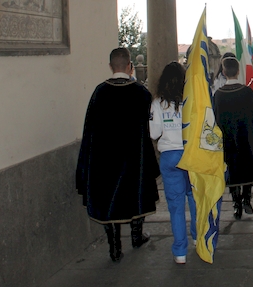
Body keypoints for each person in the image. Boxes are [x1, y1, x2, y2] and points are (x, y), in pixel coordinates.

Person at [76, 47, 159, 263]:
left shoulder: (99, 93)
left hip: (105, 160)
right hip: (134, 158)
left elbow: (89, 130)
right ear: (130, 65)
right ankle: (136, 235)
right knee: (136, 194)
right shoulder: (141, 93)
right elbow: (150, 128)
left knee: (108, 199)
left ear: (111, 65)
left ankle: (114, 247)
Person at [149, 61, 198, 264]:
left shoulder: (157, 103)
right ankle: (197, 237)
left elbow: (154, 133)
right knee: (195, 199)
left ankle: (180, 251)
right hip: (191, 155)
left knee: (176, 206)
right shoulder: (192, 100)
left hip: (170, 157)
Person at [212, 57, 253, 219]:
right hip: (246, 137)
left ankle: (236, 203)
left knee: (232, 170)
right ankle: (247, 197)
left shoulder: (218, 95)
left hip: (227, 140)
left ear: (224, 72)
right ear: (238, 71)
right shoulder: (246, 92)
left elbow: (215, 119)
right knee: (247, 167)